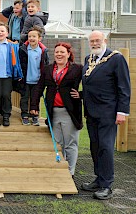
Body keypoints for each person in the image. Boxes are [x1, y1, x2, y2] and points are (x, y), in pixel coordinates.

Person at [79, 31, 131, 200]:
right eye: (92, 41)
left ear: (105, 41)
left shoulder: (116, 58)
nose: (94, 43)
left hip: (108, 112)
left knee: (106, 147)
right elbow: (91, 84)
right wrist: (79, 95)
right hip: (91, 111)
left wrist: (122, 112)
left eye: (97, 40)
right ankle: (98, 178)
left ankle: (106, 185)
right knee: (95, 146)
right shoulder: (89, 59)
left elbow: (124, 86)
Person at [32, 42, 82, 176]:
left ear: (68, 54)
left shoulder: (77, 69)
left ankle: (70, 171)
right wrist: (34, 105)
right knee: (58, 143)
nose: (59, 54)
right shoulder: (48, 69)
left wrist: (81, 94)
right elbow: (39, 87)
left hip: (70, 112)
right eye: (57, 52)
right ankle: (59, 170)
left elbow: (91, 85)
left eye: (62, 52)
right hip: (53, 112)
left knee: (70, 144)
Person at [17, 26, 49, 126]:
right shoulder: (23, 49)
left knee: (35, 98)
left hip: (37, 80)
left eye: (34, 36)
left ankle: (34, 116)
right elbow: (19, 64)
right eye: (29, 36)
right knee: (25, 98)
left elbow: (46, 65)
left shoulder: (43, 51)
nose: (31, 38)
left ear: (39, 38)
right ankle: (25, 115)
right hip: (25, 79)